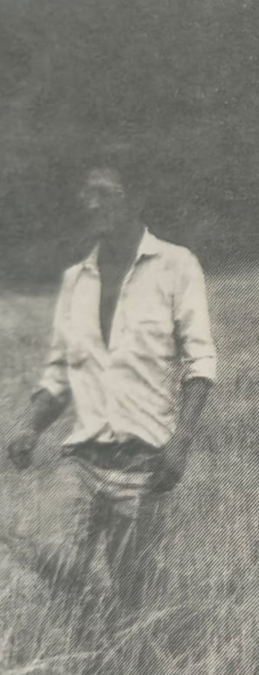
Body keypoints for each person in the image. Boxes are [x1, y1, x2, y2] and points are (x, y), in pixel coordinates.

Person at [1, 160, 216, 620]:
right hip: (80, 460)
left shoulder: (177, 266)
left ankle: (115, 639)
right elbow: (61, 374)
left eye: (104, 192)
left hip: (146, 464)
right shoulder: (77, 280)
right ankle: (87, 622)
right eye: (87, 193)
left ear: (134, 198)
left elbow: (200, 363)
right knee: (49, 555)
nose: (90, 202)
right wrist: (29, 428)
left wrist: (181, 443)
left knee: (132, 597)